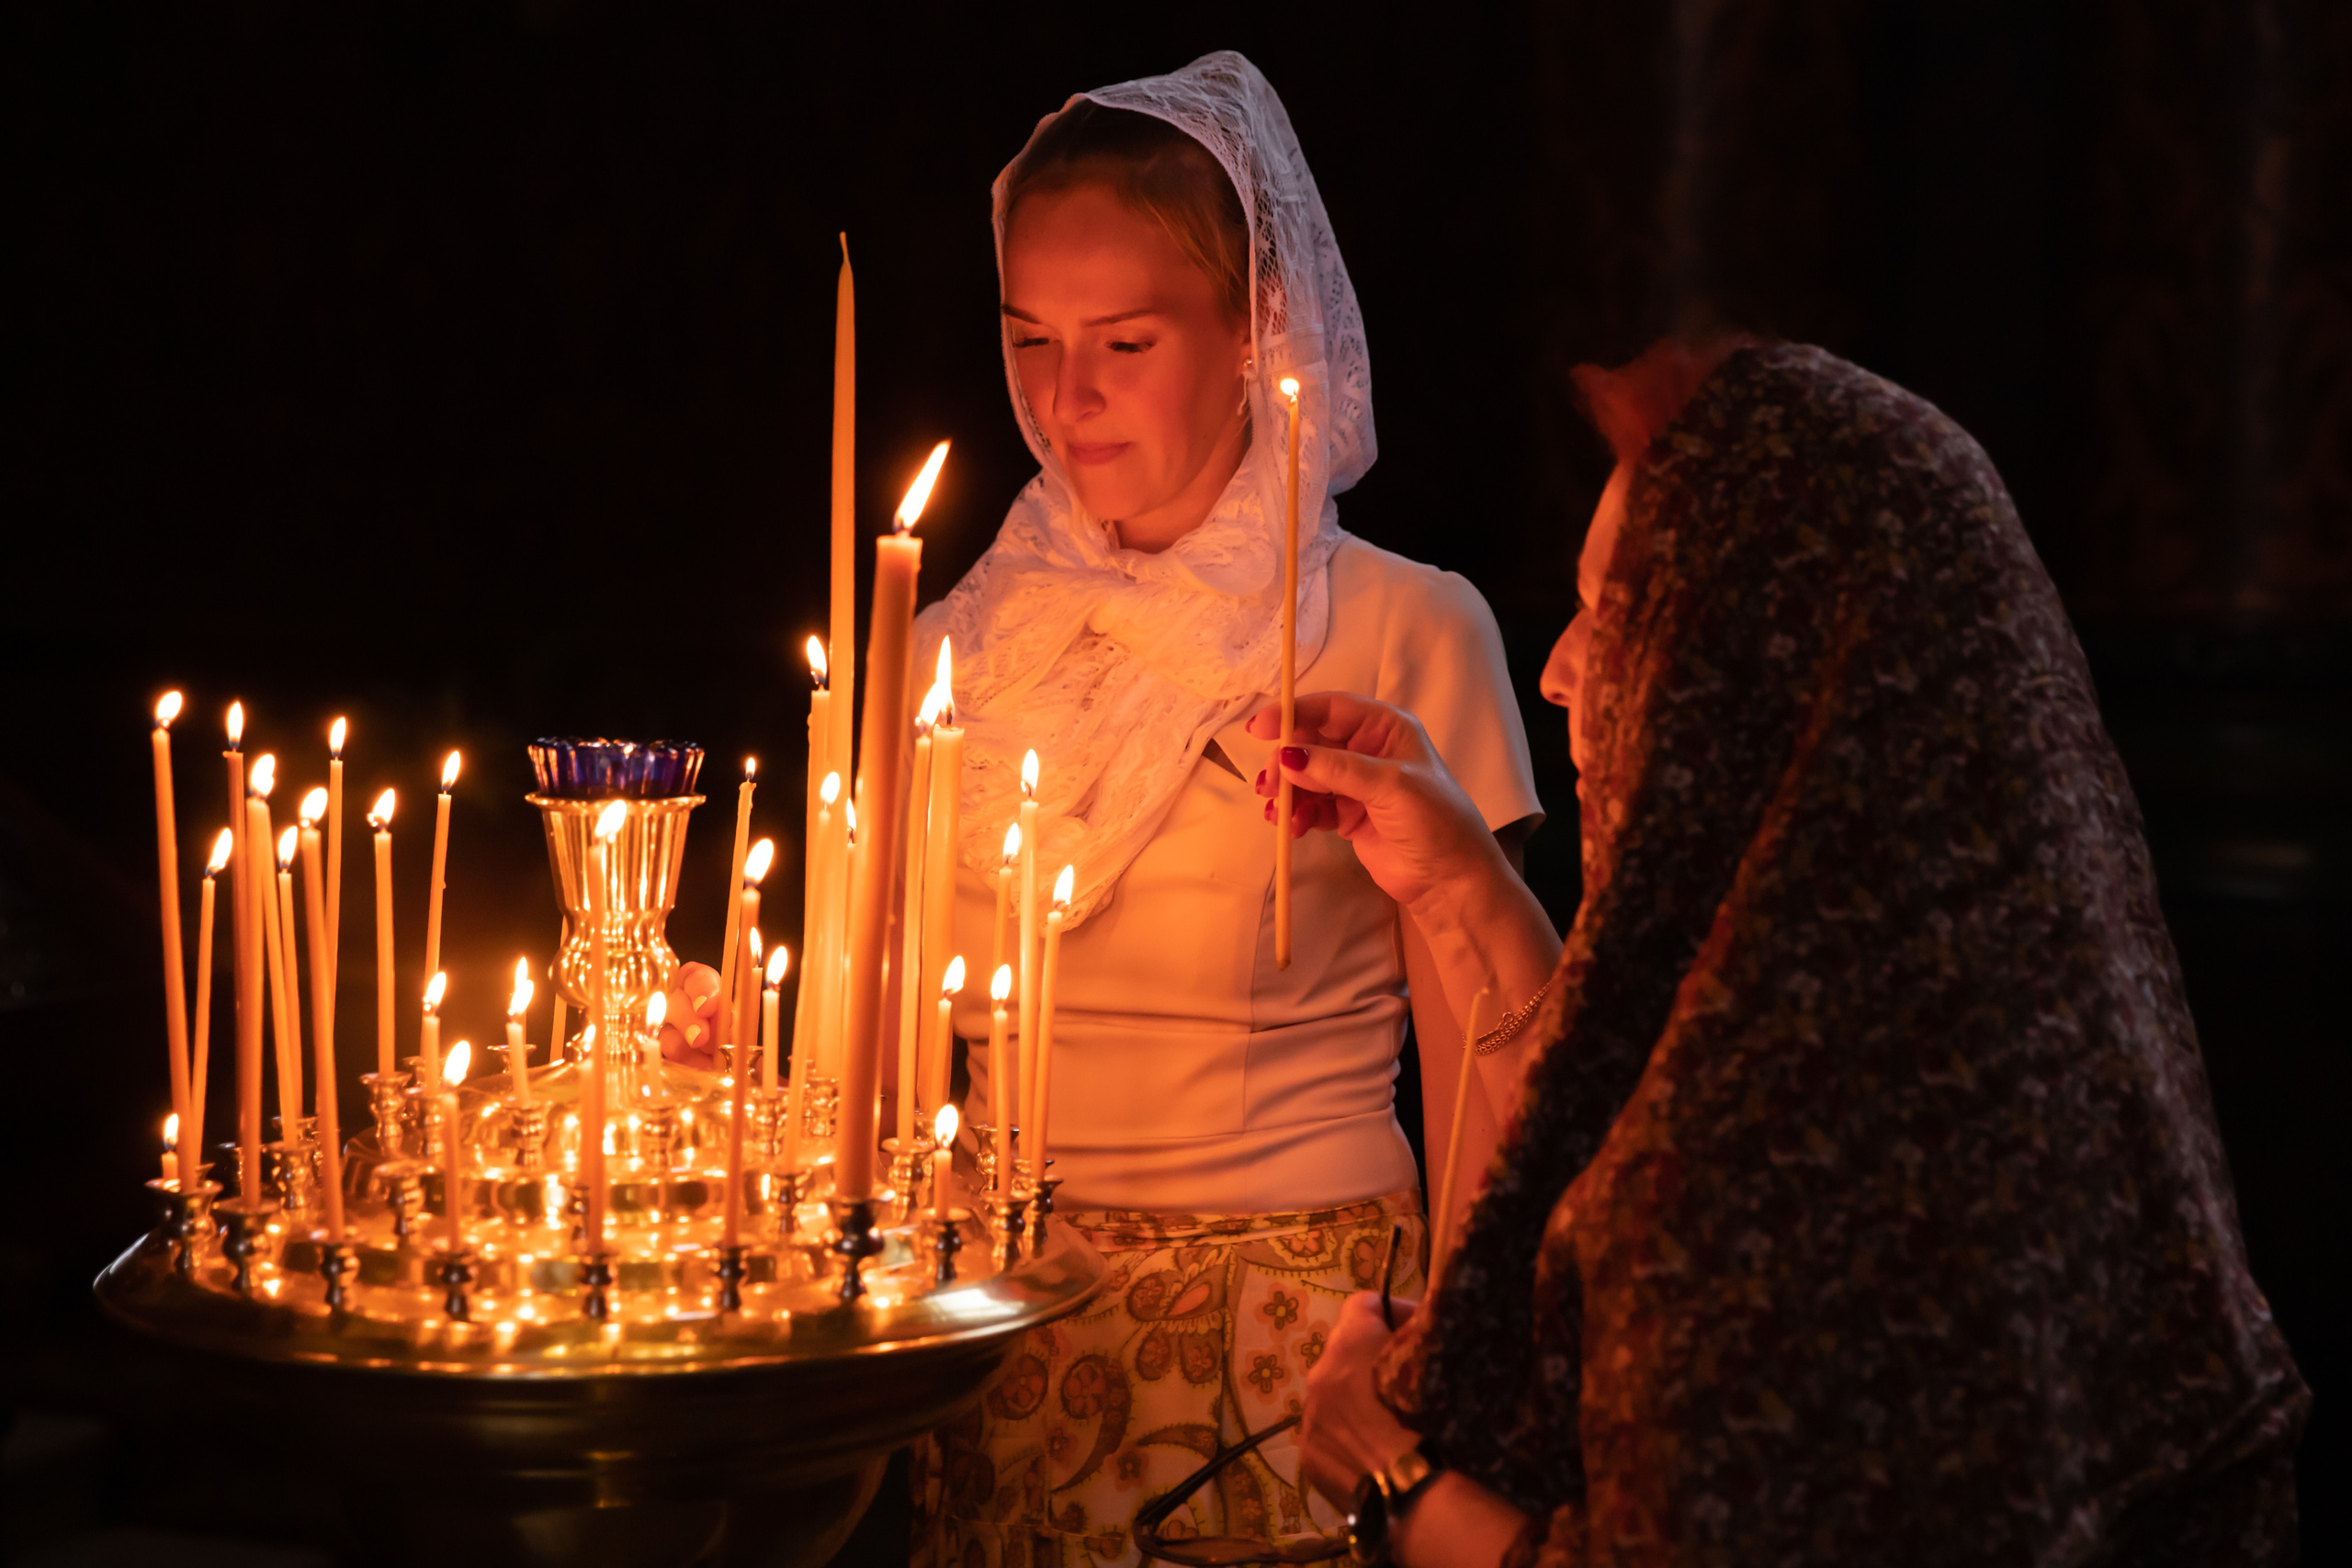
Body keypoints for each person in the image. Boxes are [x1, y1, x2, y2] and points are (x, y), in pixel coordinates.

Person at [665, 51, 1546, 1568]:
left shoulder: (1405, 629)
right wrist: (746, 1046)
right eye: (1031, 341)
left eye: (1125, 342)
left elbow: (1489, 1058)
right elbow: (884, 1044)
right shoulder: (952, 646)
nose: (1065, 401)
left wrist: (1443, 1378)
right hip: (1001, 1326)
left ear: (1252, 328)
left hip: (1296, 1343)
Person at [1275, 338, 2310, 1566]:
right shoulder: (1986, 1002)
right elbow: (1624, 1115)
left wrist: (1391, 1481)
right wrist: (1460, 887)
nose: (1557, 672)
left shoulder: (1772, 1182)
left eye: (1613, 618)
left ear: (1741, 680)